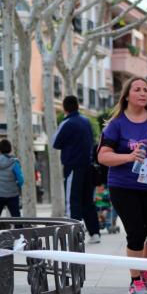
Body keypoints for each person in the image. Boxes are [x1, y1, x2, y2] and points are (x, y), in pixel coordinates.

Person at [97, 76, 147, 294]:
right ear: (127, 95)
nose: (143, 93)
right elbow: (102, 156)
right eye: (137, 90)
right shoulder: (117, 124)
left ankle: (142, 265)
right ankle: (135, 280)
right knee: (136, 233)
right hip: (124, 186)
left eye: (146, 90)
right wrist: (128, 157)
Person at [52, 95, 101, 244]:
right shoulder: (86, 121)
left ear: (65, 108)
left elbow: (55, 142)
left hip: (73, 167)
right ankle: (95, 233)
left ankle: (74, 234)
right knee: (87, 201)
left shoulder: (66, 123)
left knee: (72, 200)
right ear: (78, 106)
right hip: (88, 166)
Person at [0, 139, 24, 223]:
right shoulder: (14, 162)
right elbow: (21, 179)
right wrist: (18, 186)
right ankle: (19, 234)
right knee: (17, 218)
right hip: (12, 194)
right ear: (10, 149)